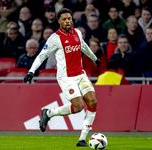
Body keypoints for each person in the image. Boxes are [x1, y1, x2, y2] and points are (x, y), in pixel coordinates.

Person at [23, 8, 101, 147]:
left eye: (69, 18)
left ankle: (82, 139)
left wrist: (94, 58)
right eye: (64, 19)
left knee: (93, 103)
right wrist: (31, 71)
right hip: (66, 77)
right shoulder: (55, 38)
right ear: (59, 21)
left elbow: (83, 46)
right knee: (78, 107)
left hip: (80, 74)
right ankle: (48, 113)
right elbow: (42, 55)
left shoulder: (77, 32)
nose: (67, 21)